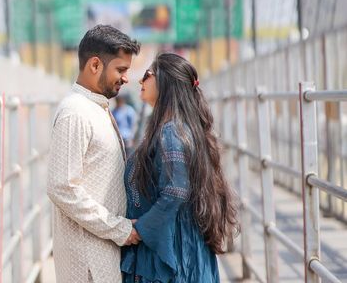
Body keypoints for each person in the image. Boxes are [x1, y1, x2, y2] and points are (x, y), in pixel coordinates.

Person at [121, 52, 239, 283]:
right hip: (178, 249)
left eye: (147, 74)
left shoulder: (171, 132)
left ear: (165, 81)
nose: (140, 81)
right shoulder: (177, 128)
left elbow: (175, 191)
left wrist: (140, 230)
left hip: (173, 258)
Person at [47, 24, 141, 283]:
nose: (125, 78)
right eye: (120, 70)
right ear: (95, 65)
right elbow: (61, 187)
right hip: (87, 262)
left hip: (102, 255)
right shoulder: (75, 113)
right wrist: (119, 229)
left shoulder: (95, 108)